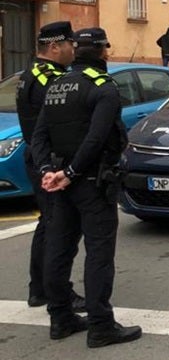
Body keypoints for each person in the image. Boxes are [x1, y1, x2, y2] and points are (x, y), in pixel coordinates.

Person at [32, 28, 142, 347]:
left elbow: (39, 136)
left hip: (61, 181)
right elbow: (97, 138)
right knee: (99, 253)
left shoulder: (56, 85)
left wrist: (48, 171)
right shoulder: (102, 87)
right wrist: (71, 171)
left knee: (59, 248)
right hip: (92, 181)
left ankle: (61, 319)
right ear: (102, 52)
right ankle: (100, 325)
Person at [16, 21, 85, 312]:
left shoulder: (29, 72)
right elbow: (61, 120)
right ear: (55, 46)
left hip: (39, 159)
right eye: (71, 44)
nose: (74, 50)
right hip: (52, 163)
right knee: (61, 229)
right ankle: (59, 293)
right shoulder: (49, 79)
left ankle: (40, 288)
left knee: (48, 224)